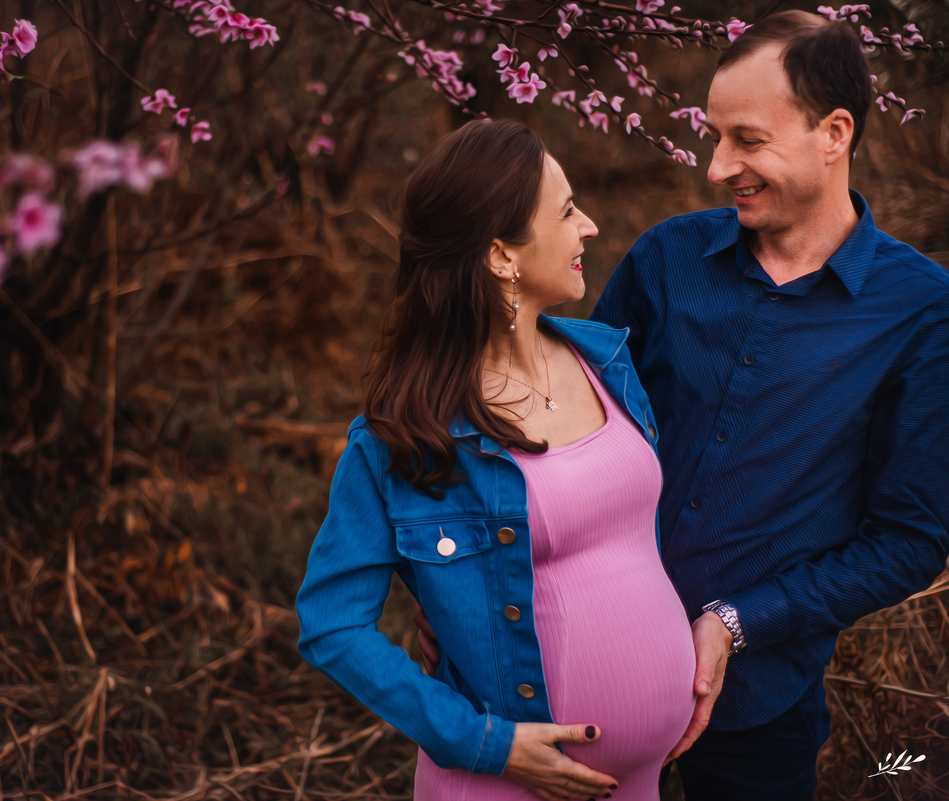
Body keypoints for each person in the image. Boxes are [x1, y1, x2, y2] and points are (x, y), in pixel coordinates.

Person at [417, 11, 949, 800]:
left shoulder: (920, 312)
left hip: (757, 713)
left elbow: (910, 540)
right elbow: (549, 424)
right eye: (714, 135)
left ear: (834, 132)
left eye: (747, 139)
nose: (716, 165)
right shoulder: (668, 259)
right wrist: (453, 572)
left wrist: (737, 621)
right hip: (566, 691)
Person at [296, 118, 699, 801]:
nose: (590, 226)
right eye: (567, 211)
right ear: (501, 255)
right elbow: (332, 623)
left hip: (640, 781)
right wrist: (488, 743)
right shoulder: (404, 436)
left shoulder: (607, 360)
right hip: (504, 785)